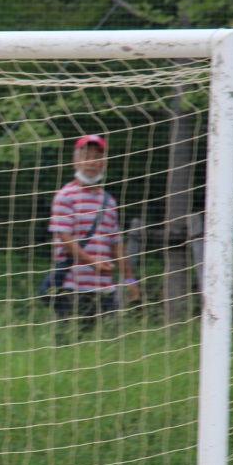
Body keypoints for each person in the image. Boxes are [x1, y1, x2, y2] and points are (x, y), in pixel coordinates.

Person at [48, 134, 140, 328]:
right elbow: (64, 238)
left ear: (104, 163)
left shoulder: (109, 202)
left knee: (109, 339)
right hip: (71, 287)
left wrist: (130, 279)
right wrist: (93, 262)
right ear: (75, 161)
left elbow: (115, 244)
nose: (91, 162)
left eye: (97, 157)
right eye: (85, 156)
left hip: (105, 288)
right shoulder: (65, 196)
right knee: (71, 338)